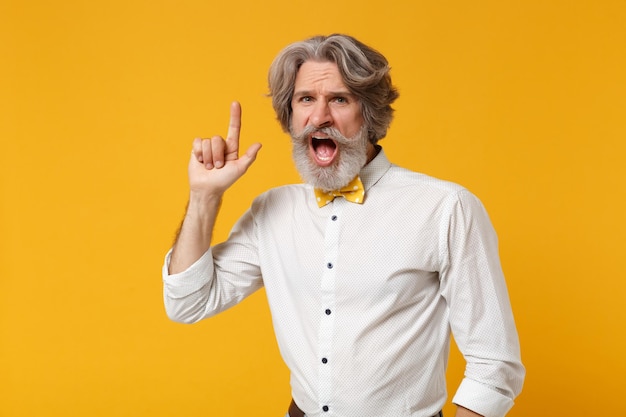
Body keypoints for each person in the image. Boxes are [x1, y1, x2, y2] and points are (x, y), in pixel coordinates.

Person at [162, 34, 525, 417]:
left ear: (369, 114)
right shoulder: (272, 210)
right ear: (291, 115)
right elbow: (188, 302)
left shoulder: (445, 208)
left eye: (339, 99)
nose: (319, 117)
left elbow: (493, 363)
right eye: (306, 99)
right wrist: (204, 197)